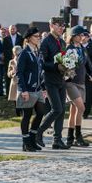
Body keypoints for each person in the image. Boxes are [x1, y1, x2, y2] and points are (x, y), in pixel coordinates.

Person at [65, 26, 92, 147]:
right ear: (74, 36)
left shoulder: (82, 48)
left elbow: (89, 67)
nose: (83, 37)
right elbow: (66, 68)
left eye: (84, 35)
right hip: (70, 83)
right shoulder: (69, 48)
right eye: (81, 35)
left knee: (74, 110)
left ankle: (70, 138)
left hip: (81, 83)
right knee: (81, 108)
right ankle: (78, 136)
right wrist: (69, 76)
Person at [35, 17, 69, 150]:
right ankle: (38, 131)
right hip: (50, 80)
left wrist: (68, 67)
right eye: (59, 25)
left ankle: (57, 140)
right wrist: (56, 66)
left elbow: (64, 58)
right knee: (57, 109)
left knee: (61, 111)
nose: (61, 28)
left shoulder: (61, 41)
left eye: (63, 25)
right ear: (51, 26)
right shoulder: (45, 42)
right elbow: (43, 63)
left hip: (61, 79)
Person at [16, 27, 47, 152]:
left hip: (38, 89)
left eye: (39, 36)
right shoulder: (24, 53)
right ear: (29, 38)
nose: (38, 38)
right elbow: (19, 73)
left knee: (40, 113)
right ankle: (25, 142)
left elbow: (40, 71)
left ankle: (33, 139)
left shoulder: (37, 52)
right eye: (36, 36)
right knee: (27, 116)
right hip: (27, 89)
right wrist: (23, 90)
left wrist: (43, 87)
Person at [3, 25, 23, 98]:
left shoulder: (20, 38)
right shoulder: (5, 39)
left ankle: (18, 93)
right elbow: (4, 49)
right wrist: (11, 55)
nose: (12, 30)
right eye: (11, 29)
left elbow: (22, 48)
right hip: (9, 59)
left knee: (18, 76)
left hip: (19, 59)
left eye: (13, 29)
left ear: (16, 29)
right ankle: (8, 93)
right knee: (8, 76)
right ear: (9, 30)